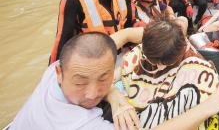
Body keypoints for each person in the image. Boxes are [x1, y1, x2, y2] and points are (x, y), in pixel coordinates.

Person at [11, 30, 144, 130]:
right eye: (80, 83)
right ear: (59, 73)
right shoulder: (81, 124)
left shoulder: (56, 70)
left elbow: (122, 36)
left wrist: (113, 94)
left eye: (103, 79)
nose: (92, 94)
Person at [118, 20, 219, 129]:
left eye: (161, 63)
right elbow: (125, 66)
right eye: (152, 61)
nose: (157, 66)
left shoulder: (198, 68)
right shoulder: (145, 48)